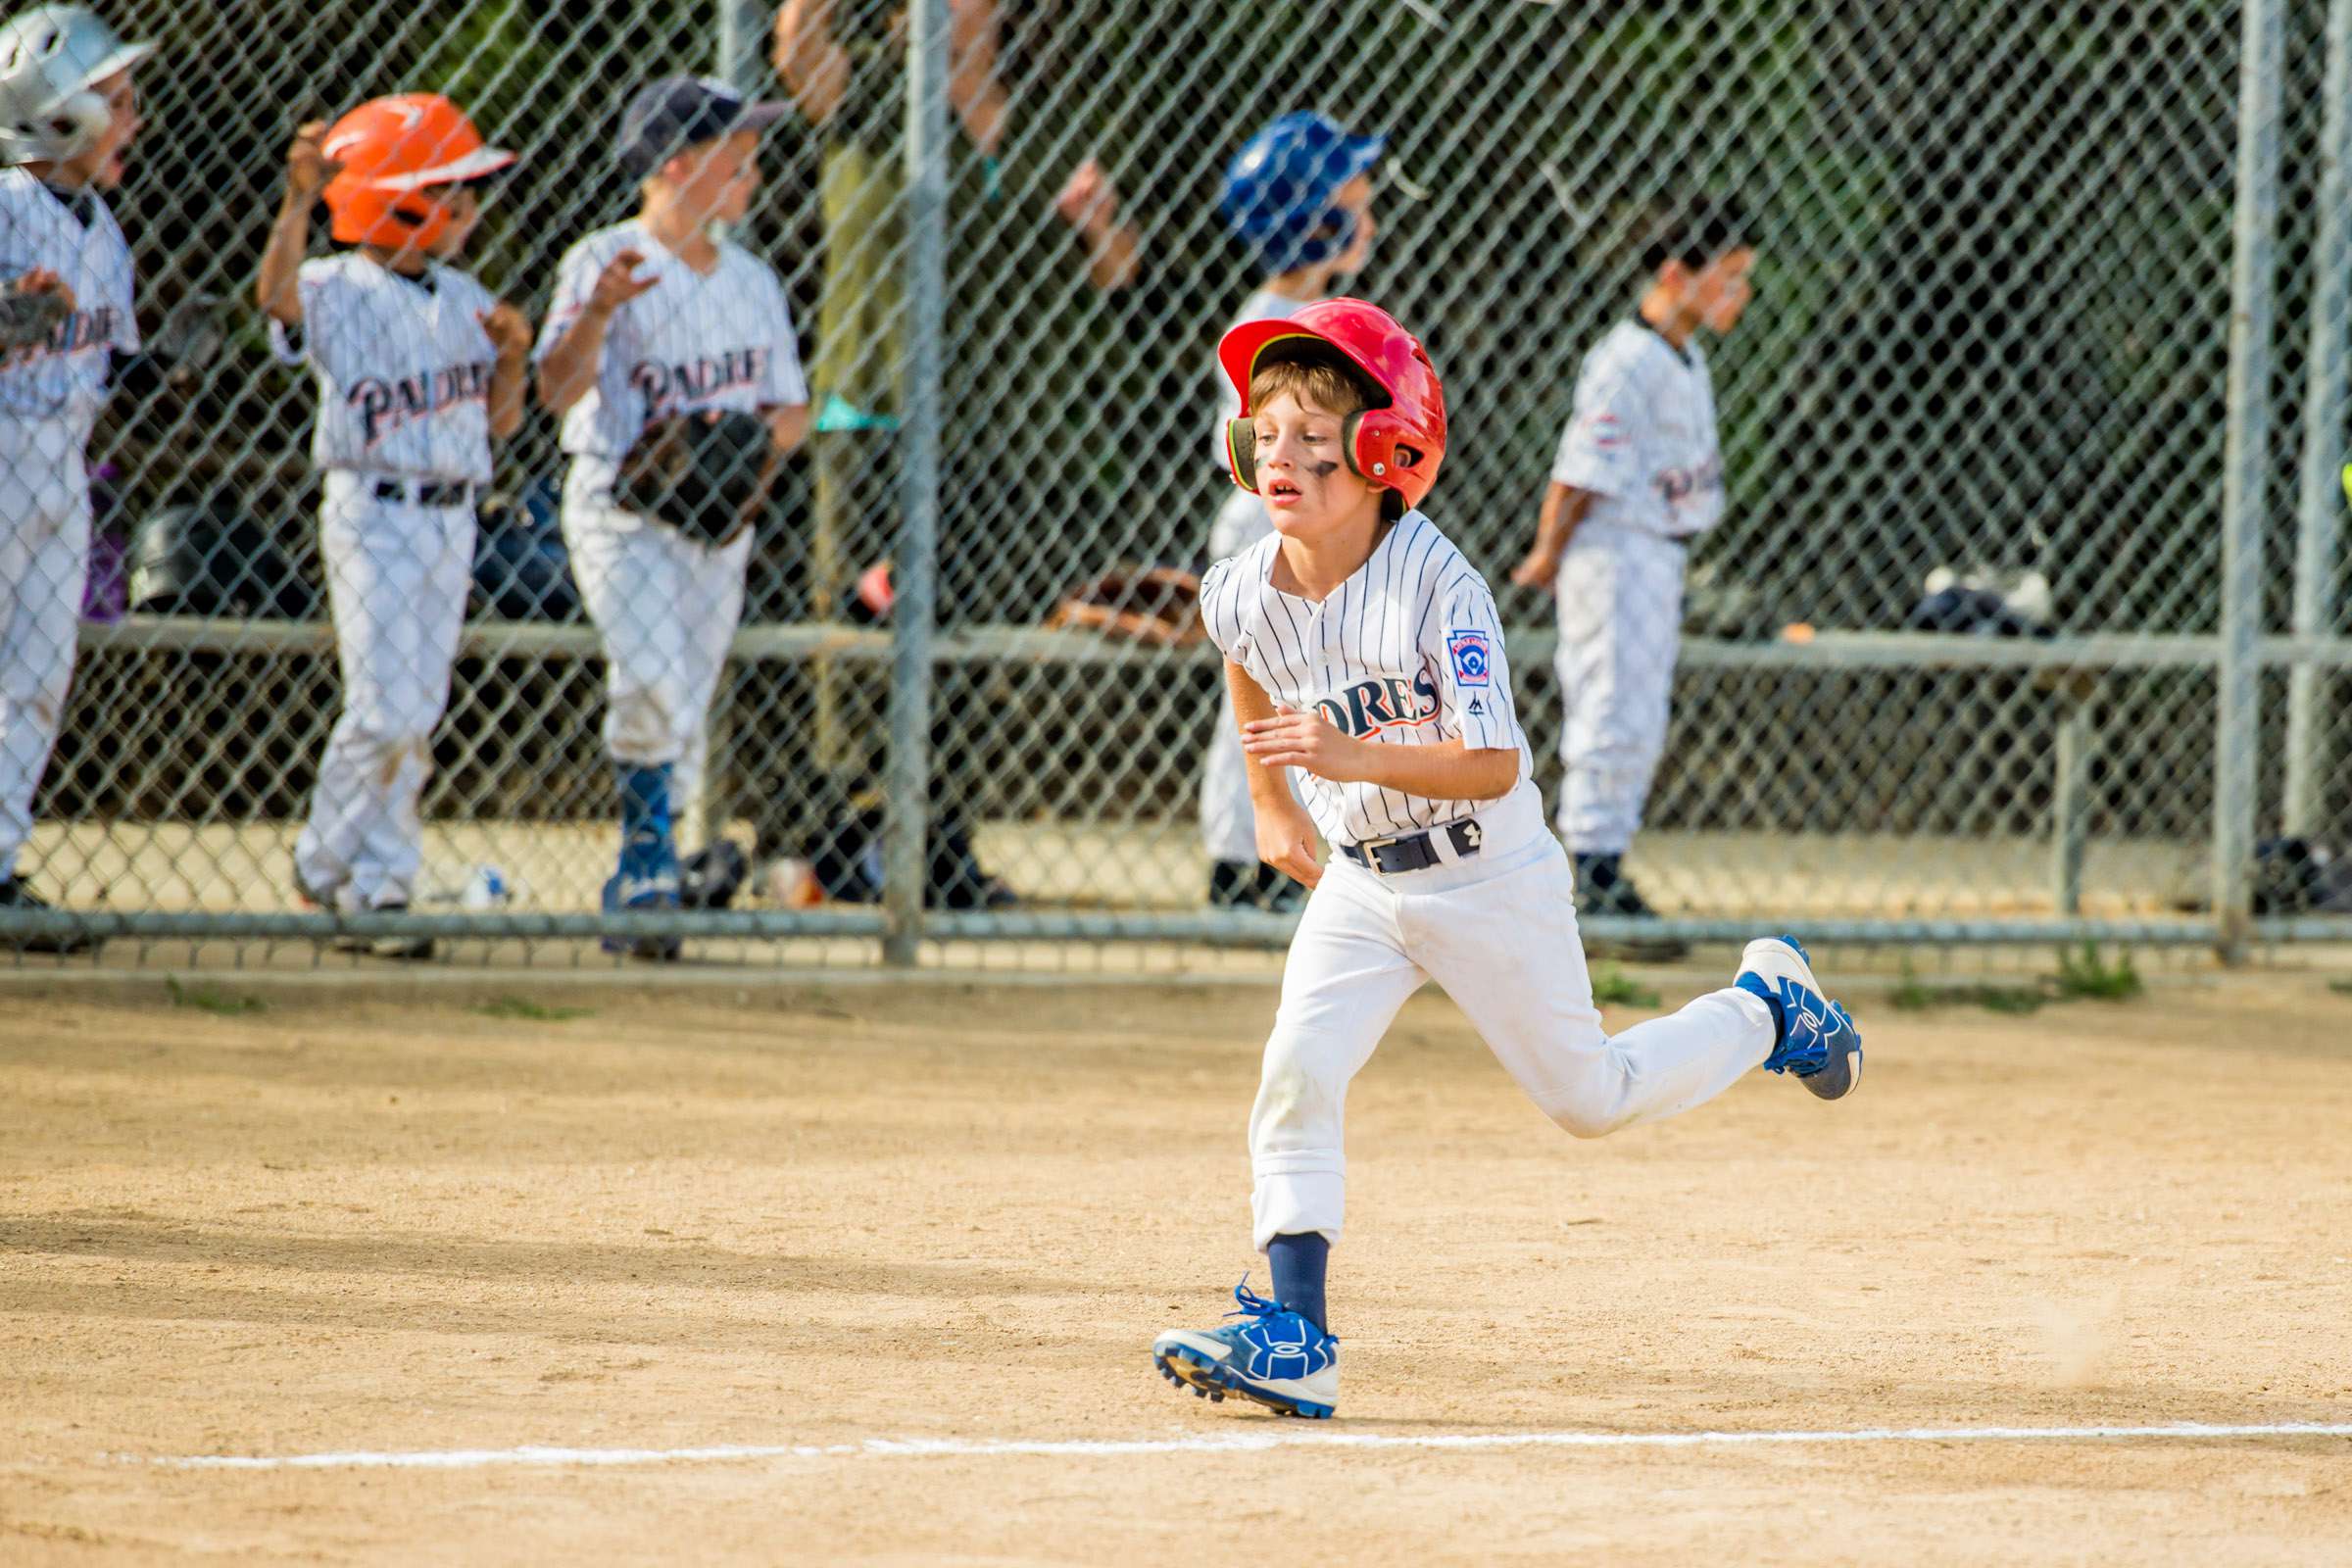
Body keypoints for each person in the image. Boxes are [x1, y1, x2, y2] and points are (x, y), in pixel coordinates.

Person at [1151, 298, 1858, 1420]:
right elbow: (1241, 646)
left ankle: (1769, 1006)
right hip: (1362, 882)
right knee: (1297, 1067)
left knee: (1591, 1096)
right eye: (1264, 433)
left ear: (1388, 451)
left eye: (1312, 438)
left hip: (1487, 873)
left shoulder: (1442, 584)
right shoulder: (1242, 580)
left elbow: (1489, 763)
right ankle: (1296, 1332)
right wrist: (1268, 800)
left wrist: (1340, 747)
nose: (1278, 455)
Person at [534, 77, 810, 961]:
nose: (753, 170)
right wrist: (602, 311)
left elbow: (790, 410)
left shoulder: (751, 279)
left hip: (717, 527)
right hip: (623, 511)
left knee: (683, 703)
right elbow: (554, 389)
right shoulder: (602, 260)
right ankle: (645, 858)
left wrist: (743, 455)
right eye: (736, 156)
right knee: (650, 675)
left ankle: (656, 868)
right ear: (680, 166)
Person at [258, 95, 530, 960]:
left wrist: (515, 357)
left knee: (419, 715)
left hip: (452, 518)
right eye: (450, 193)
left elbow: (503, 423)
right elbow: (276, 300)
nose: (469, 212)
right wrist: (300, 203)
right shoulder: (337, 284)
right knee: (381, 709)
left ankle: (381, 888)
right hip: (373, 512)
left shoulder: (465, 295)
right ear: (395, 198)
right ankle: (318, 870)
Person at [1510, 197, 1755, 956]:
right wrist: (1549, 554)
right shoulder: (1627, 358)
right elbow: (1580, 469)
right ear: (1677, 274)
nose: (1739, 294)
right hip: (1612, 551)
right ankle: (1591, 877)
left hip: (1655, 553)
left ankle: (1603, 866)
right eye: (1728, 276)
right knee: (1611, 709)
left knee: (1639, 718)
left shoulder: (1686, 356)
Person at [1199, 111, 1381, 914]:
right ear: (1315, 219)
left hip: (1309, 528)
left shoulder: (1307, 312)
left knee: (1310, 698)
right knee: (1262, 700)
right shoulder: (1268, 322)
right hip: (1268, 530)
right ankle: (1237, 864)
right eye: (1353, 196)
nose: (1368, 209)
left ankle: (1274, 859)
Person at [0, 5, 146, 955]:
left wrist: (161, 368)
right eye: (115, 100)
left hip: (61, 461)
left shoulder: (105, 232)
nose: (131, 118)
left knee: (39, 677)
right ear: (58, 116)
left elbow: (111, 360)